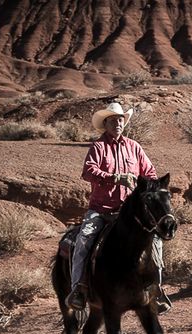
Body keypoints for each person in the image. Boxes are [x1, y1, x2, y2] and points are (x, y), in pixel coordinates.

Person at [66, 101, 170, 312]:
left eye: (121, 119)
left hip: (129, 213)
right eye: (113, 120)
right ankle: (79, 289)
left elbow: (149, 173)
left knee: (155, 240)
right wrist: (114, 178)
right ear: (105, 124)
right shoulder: (98, 147)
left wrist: (150, 187)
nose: (118, 123)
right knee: (84, 240)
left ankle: (156, 289)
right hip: (102, 209)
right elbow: (88, 172)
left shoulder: (134, 147)